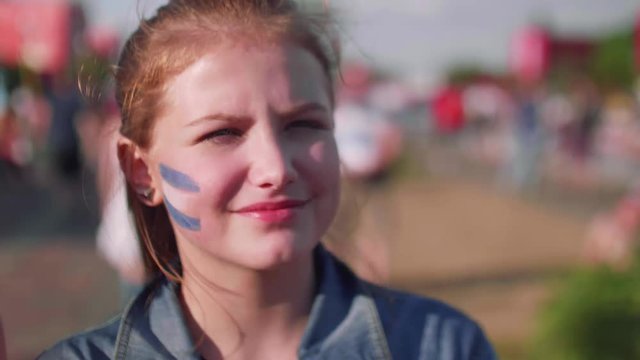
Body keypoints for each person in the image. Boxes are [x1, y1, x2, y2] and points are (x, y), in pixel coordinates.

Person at [39, 1, 496, 359]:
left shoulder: (442, 346)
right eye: (222, 133)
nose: (276, 168)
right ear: (141, 171)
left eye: (303, 125)